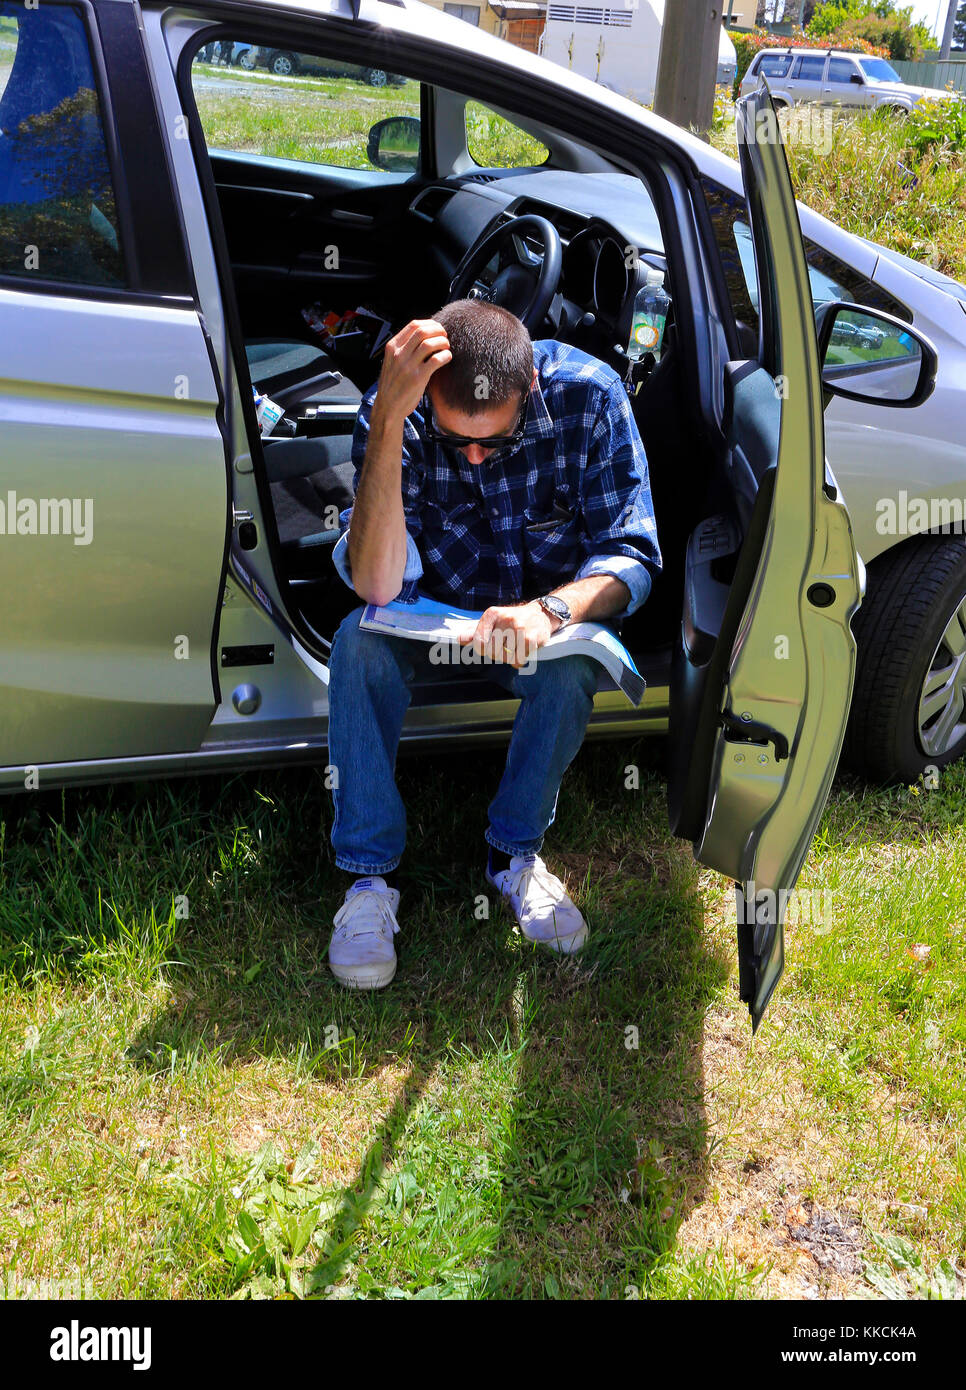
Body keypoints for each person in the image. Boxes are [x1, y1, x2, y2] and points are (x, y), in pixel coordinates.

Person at [326, 299, 661, 988]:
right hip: (427, 613)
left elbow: (633, 555)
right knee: (356, 646)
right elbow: (374, 579)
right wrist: (390, 421)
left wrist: (554, 610)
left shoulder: (591, 398)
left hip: (537, 623)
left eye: (494, 442)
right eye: (457, 443)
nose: (475, 456)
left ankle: (515, 855)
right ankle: (367, 881)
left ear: (531, 386)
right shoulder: (397, 407)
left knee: (570, 675)